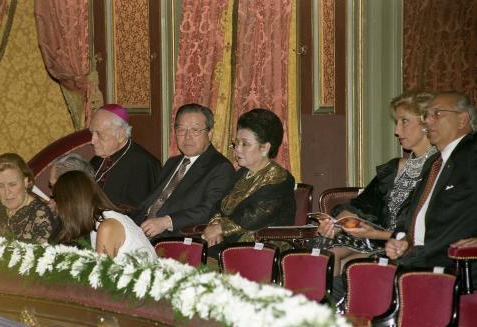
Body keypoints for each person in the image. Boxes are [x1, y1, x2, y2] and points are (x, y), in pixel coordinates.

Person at [318, 91, 438, 275]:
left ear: (425, 124)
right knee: (327, 254)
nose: (397, 131)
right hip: (374, 241)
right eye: (396, 123)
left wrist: (376, 234)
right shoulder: (394, 169)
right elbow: (361, 206)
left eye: (404, 121)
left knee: (352, 265)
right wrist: (335, 225)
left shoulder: (440, 169)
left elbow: (428, 229)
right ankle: (325, 303)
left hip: (408, 247)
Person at [386, 92, 477, 288]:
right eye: (426, 115)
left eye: (437, 114)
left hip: (452, 264)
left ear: (462, 119)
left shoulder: (472, 153)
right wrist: (401, 240)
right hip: (414, 260)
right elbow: (410, 212)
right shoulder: (434, 163)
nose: (428, 121)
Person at [132, 103, 235, 239]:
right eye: (181, 130)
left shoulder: (220, 167)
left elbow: (209, 210)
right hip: (141, 230)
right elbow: (151, 202)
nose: (187, 136)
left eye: (195, 130)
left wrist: (166, 222)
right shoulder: (172, 163)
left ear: (209, 133)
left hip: (175, 237)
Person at [202, 108, 296, 257]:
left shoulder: (280, 179)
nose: (237, 149)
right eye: (236, 143)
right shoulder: (241, 174)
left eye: (245, 144)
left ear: (265, 148)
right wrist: (215, 226)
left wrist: (220, 228)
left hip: (262, 249)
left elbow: (253, 216)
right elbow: (218, 205)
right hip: (229, 243)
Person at [53, 170, 157, 259]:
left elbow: (101, 278)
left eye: (57, 201)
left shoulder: (107, 226)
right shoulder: (102, 219)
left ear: (70, 203)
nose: (56, 207)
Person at [89, 104, 161, 211]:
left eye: (99, 134)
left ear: (120, 135)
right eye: (91, 133)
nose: (92, 141)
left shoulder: (143, 165)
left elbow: (137, 213)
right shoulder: (97, 159)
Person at [0, 153, 59, 244]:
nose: (7, 192)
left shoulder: (41, 215)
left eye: (13, 184)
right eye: (0, 186)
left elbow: (43, 256)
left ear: (25, 182)